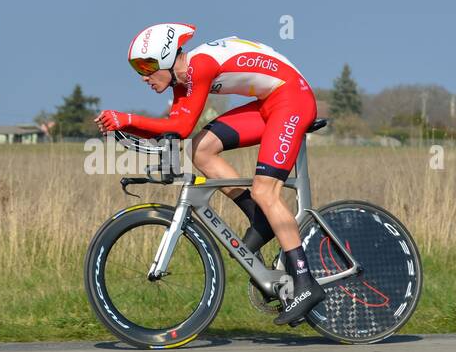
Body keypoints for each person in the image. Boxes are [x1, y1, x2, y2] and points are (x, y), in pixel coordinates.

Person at [94, 23, 324, 326]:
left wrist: (127, 118)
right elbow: (174, 129)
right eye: (138, 69)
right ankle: (258, 217)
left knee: (266, 190)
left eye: (148, 66)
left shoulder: (199, 67)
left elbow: (180, 127)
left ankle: (306, 282)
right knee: (200, 149)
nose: (144, 76)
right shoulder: (181, 80)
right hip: (269, 104)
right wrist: (124, 126)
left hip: (292, 100)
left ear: (166, 57)